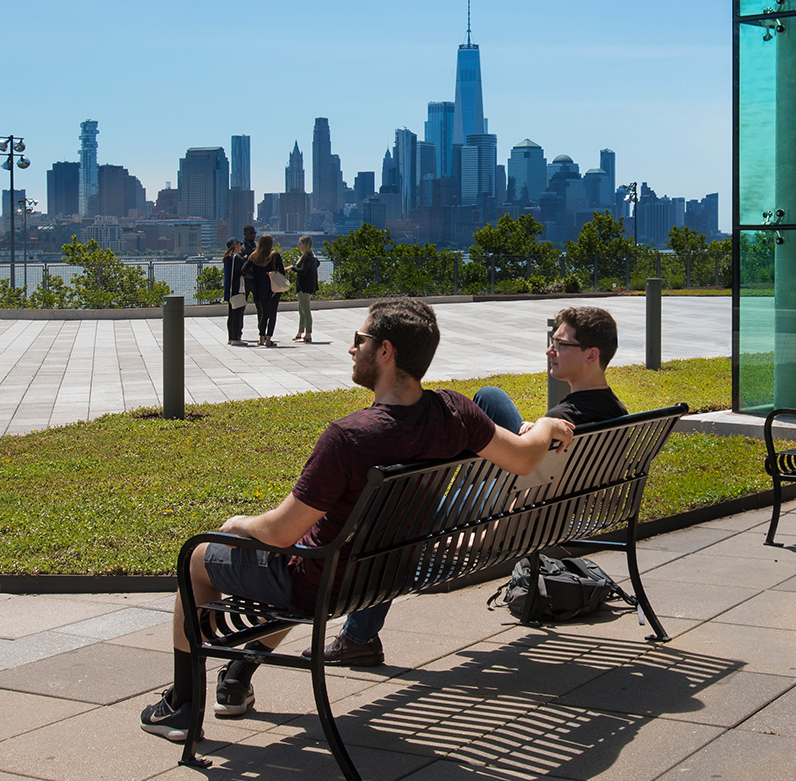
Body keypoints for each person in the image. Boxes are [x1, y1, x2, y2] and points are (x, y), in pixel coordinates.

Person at [138, 297, 573, 742]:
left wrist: (238, 523)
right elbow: (522, 458)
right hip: (385, 575)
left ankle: (181, 705)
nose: (352, 349)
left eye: (358, 340)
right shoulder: (454, 412)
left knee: (198, 557)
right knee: (312, 554)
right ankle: (236, 678)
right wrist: (545, 426)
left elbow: (280, 533)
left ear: (385, 352)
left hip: (325, 584)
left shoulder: (349, 437)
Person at [322, 304, 628, 666]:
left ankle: (358, 637)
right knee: (490, 397)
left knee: (392, 519)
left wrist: (477, 537)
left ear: (591, 355)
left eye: (560, 344)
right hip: (549, 506)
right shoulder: (614, 413)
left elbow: (527, 504)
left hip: (506, 511)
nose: (549, 350)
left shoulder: (563, 423)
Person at [244, 235, 285, 347]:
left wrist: (254, 277)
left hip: (258, 288)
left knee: (263, 313)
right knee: (272, 314)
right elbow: (282, 272)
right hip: (272, 289)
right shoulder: (274, 255)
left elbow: (244, 269)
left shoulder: (253, 256)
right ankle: (268, 339)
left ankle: (261, 338)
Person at [291, 237, 321, 343]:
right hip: (305, 286)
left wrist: (292, 268)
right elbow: (317, 264)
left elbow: (303, 271)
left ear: (305, 245)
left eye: (300, 243)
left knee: (306, 311)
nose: (298, 245)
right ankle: (300, 333)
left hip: (304, 287)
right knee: (302, 311)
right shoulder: (311, 256)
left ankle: (308, 335)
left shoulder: (307, 257)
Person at [221, 239, 247, 346]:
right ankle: (236, 338)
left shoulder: (228, 258)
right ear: (235, 245)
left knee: (231, 315)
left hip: (230, 291)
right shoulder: (236, 258)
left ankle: (231, 337)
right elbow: (244, 271)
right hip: (237, 290)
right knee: (237, 314)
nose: (241, 246)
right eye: (240, 244)